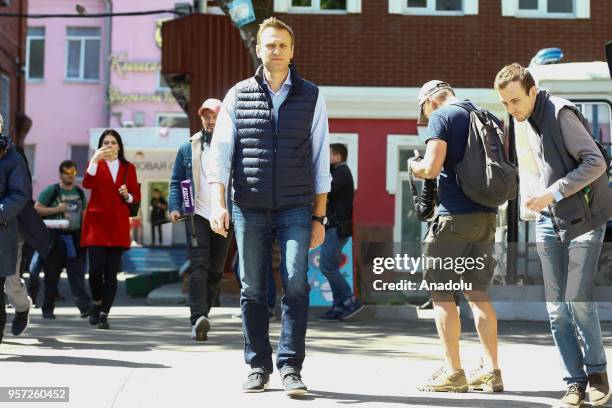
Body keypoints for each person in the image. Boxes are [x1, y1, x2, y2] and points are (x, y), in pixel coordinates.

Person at [207, 17, 331, 396]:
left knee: (296, 280)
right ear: (258, 49)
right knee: (253, 287)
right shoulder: (237, 95)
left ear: (292, 51)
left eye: (282, 45)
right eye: (269, 44)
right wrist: (217, 203)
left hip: (296, 205)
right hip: (249, 205)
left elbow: (320, 159)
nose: (275, 50)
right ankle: (258, 365)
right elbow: (220, 154)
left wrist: (318, 216)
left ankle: (290, 366)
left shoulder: (311, 95)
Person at [495, 63, 612, 408]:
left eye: (515, 101)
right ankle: (574, 381)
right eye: (504, 103)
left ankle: (597, 374)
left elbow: (595, 162)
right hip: (546, 218)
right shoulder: (519, 121)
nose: (510, 109)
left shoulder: (560, 114)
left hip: (585, 218)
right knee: (555, 307)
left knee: (575, 298)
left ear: (532, 91)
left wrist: (553, 192)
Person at [409, 80, 503, 393]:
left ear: (430, 101)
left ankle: (454, 371)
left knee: (442, 294)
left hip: (454, 218)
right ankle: (492, 371)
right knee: (478, 293)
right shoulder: (483, 114)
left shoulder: (442, 116)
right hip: (487, 218)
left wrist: (415, 166)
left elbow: (432, 167)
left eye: (424, 111)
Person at [169, 98, 232, 341]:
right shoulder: (188, 147)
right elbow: (176, 181)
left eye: (215, 115)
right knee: (198, 265)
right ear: (201, 118)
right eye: (206, 116)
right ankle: (197, 318)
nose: (211, 120)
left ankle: (203, 312)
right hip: (195, 215)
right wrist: (175, 206)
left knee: (216, 269)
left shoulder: (232, 145)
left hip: (223, 213)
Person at [81, 129, 141, 330]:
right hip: (96, 224)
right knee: (95, 270)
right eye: (105, 142)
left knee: (111, 272)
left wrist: (127, 196)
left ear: (119, 146)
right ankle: (97, 303)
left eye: (113, 142)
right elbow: (87, 184)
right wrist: (94, 161)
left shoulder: (128, 167)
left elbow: (135, 197)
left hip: (117, 224)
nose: (109, 146)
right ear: (100, 146)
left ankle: (104, 313)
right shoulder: (96, 165)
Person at [34, 160, 93, 319]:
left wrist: (86, 235)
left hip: (74, 239)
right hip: (55, 239)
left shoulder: (79, 192)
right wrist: (57, 209)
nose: (71, 176)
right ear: (61, 174)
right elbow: (37, 209)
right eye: (67, 173)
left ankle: (85, 308)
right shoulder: (51, 191)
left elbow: (84, 214)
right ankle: (48, 309)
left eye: (73, 173)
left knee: (77, 275)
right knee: (51, 278)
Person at [316, 144, 363, 322]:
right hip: (333, 227)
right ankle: (338, 306)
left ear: (337, 156)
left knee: (327, 266)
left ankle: (350, 301)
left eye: (328, 154)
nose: (325, 158)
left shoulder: (341, 173)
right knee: (331, 266)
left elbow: (324, 190)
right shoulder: (336, 171)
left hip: (336, 228)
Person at [0, 115, 31, 343]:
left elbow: (20, 194)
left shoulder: (13, 157)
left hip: (6, 229)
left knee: (11, 283)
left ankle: (22, 308)